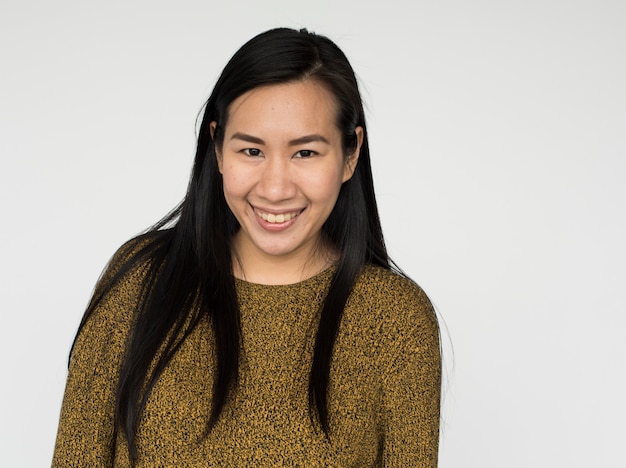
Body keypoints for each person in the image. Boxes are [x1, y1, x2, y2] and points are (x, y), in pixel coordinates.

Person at [52, 27, 441, 467]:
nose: (275, 189)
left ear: (351, 154)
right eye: (251, 151)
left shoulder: (396, 319)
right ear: (218, 149)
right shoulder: (140, 281)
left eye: (305, 153)